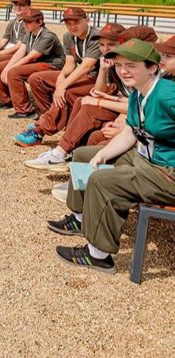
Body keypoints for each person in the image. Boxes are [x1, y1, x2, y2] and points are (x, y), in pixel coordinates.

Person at [46, 38, 175, 274]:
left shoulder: (168, 95)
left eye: (132, 65)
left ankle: (98, 255)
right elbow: (129, 133)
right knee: (84, 155)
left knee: (102, 181)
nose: (123, 70)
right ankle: (80, 217)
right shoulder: (139, 92)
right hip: (145, 158)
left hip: (167, 172)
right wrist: (103, 155)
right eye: (119, 64)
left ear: (153, 67)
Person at [13, 8, 101, 143]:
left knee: (66, 91)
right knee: (36, 79)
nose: (72, 26)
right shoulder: (68, 37)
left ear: (87, 20)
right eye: (68, 23)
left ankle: (40, 130)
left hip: (97, 78)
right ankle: (51, 118)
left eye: (76, 22)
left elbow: (86, 66)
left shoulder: (96, 36)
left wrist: (62, 86)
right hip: (82, 74)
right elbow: (70, 64)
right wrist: (61, 76)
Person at [0, 9, 65, 118]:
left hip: (51, 65)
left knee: (14, 72)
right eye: (25, 21)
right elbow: (21, 51)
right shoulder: (30, 33)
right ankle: (6, 100)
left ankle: (25, 110)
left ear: (39, 22)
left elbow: (31, 57)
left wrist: (10, 69)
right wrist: (7, 67)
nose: (25, 24)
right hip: (38, 63)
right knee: (0, 67)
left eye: (29, 22)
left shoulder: (48, 36)